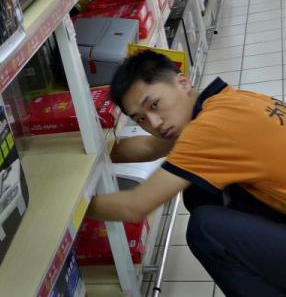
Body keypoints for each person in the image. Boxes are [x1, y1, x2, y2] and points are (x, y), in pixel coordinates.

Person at [86, 50, 286, 296]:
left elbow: (134, 207)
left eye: (155, 105)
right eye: (140, 119)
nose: (154, 123)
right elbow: (152, 147)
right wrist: (94, 154)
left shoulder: (208, 130)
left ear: (182, 82)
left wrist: (68, 208)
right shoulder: (227, 101)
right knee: (199, 192)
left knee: (205, 229)